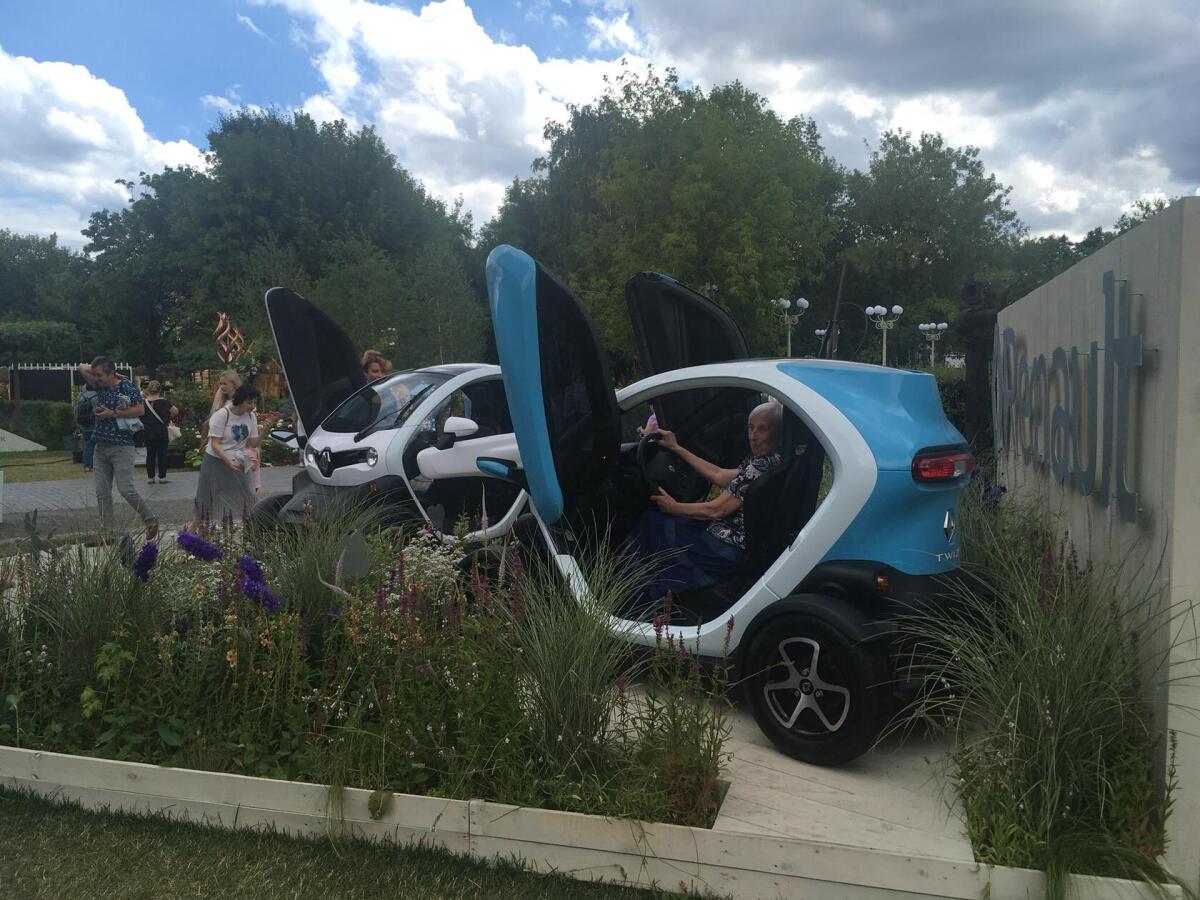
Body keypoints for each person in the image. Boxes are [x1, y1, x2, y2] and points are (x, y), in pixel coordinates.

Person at [626, 400, 783, 609]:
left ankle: (638, 604)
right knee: (656, 525)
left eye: (762, 429)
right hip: (735, 541)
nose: (753, 436)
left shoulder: (760, 466)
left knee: (650, 524)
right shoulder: (774, 461)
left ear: (777, 434)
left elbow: (716, 509)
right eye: (750, 427)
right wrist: (676, 448)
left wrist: (674, 507)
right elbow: (718, 474)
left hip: (725, 548)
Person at [78, 357, 158, 539]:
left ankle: (150, 519)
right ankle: (108, 532)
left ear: (110, 373)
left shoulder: (126, 386)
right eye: (95, 374)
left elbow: (140, 410)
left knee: (125, 489)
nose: (95, 378)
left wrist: (113, 413)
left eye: (99, 375)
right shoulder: (100, 385)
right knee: (102, 492)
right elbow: (81, 367)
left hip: (121, 446)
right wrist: (100, 371)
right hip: (100, 447)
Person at [193, 383, 261, 522]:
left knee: (248, 494)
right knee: (208, 499)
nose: (253, 406)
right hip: (216, 461)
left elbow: (251, 444)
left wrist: (264, 431)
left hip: (239, 459)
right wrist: (228, 461)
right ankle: (194, 530)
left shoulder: (250, 416)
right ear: (240, 400)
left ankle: (247, 527)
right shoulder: (222, 414)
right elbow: (215, 444)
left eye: (255, 402)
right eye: (249, 402)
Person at [139, 381, 178, 484]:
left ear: (148, 390)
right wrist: (169, 416)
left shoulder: (143, 402)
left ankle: (150, 477)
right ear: (160, 390)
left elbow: (139, 415)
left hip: (147, 432)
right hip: (161, 431)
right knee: (162, 455)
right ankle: (162, 477)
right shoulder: (164, 402)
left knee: (150, 455)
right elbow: (175, 411)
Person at [73, 380, 98, 471]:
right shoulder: (96, 397)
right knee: (96, 445)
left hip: (84, 425)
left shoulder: (81, 396)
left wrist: (78, 425)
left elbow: (75, 411)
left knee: (87, 444)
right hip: (94, 425)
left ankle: (87, 465)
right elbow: (97, 412)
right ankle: (93, 464)